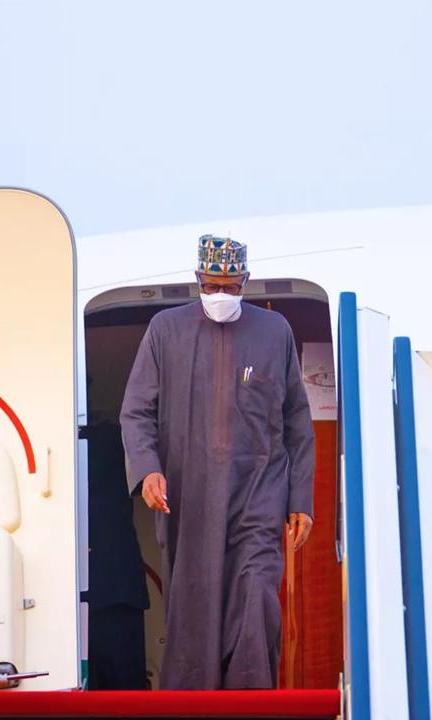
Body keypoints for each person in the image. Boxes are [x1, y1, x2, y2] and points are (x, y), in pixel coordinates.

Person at [120, 234, 315, 690]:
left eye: (230, 286)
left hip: (258, 498)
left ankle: (250, 704)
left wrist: (300, 499)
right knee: (194, 610)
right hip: (189, 500)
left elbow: (297, 422)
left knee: (256, 599)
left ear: (246, 281)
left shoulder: (275, 332)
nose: (221, 296)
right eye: (212, 285)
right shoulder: (165, 330)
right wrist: (148, 469)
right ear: (197, 279)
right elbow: (136, 410)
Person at [83, 402, 150, 690]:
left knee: (124, 690)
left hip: (116, 593)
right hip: (106, 591)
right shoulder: (109, 441)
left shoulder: (112, 440)